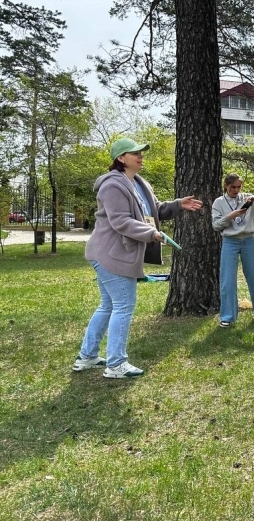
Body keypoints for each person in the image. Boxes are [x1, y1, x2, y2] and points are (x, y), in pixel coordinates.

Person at [72, 138, 203, 379]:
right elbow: (121, 221)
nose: (141, 156)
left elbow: (154, 211)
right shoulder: (111, 186)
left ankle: (87, 357)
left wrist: (178, 205)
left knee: (108, 306)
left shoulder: (139, 183)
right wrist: (151, 233)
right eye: (135, 153)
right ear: (121, 158)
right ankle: (116, 364)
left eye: (141, 152)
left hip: (117, 253)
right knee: (123, 306)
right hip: (110, 254)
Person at [212, 173, 254, 328]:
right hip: (230, 241)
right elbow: (216, 225)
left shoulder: (247, 198)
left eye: (239, 187)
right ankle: (228, 316)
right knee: (227, 280)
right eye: (233, 187)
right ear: (226, 186)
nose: (236, 190)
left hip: (248, 240)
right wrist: (231, 216)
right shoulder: (219, 202)